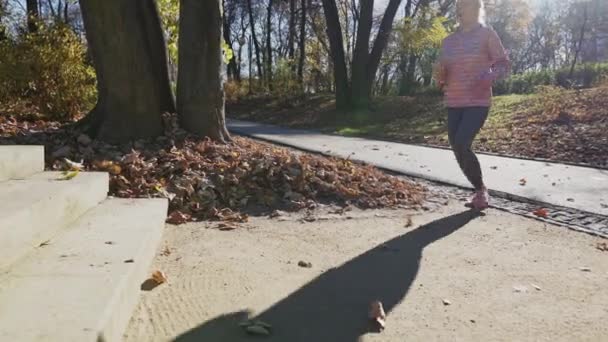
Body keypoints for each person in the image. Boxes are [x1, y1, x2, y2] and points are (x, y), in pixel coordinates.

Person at [433, 0, 510, 210]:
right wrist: (439, 76)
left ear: (477, 9)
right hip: (454, 101)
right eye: (458, 7)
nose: (460, 10)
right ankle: (478, 189)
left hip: (478, 101)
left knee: (461, 143)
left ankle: (481, 190)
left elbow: (503, 63)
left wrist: (489, 76)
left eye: (464, 6)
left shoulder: (487, 34)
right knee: (457, 148)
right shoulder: (448, 41)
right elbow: (443, 74)